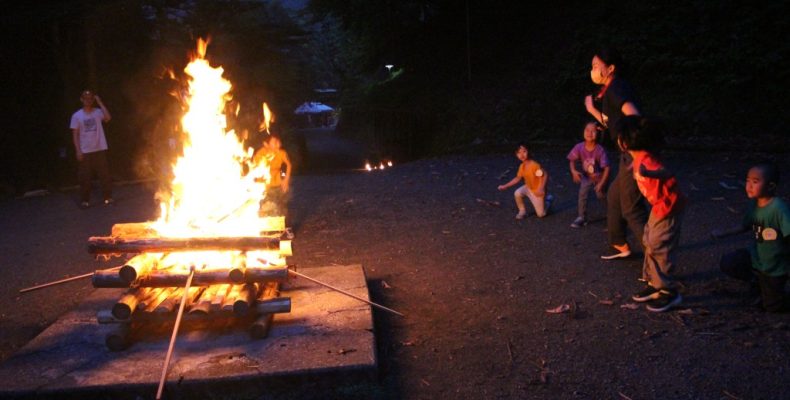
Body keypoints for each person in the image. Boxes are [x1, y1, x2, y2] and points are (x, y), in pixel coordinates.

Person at [584, 48, 648, 260]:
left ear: (610, 68)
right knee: (614, 195)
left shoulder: (616, 89)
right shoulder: (611, 89)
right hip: (628, 154)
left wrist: (637, 153)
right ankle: (619, 242)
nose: (593, 70)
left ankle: (657, 258)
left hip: (634, 154)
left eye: (596, 66)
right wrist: (592, 110)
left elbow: (634, 116)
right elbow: (611, 121)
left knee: (631, 209)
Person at [617, 116, 686, 312]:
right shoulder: (639, 158)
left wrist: (648, 173)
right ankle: (654, 283)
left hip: (668, 207)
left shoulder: (646, 160)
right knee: (649, 241)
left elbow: (666, 172)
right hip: (659, 207)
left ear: (624, 142)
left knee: (659, 246)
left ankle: (669, 291)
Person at [712, 163, 789, 312]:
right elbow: (745, 225)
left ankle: (773, 293)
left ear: (771, 186)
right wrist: (724, 232)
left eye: (755, 182)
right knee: (729, 262)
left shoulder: (779, 209)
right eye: (747, 181)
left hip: (775, 265)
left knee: (773, 307)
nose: (749, 186)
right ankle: (756, 281)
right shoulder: (754, 204)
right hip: (756, 257)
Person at [70, 90, 113, 208]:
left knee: (104, 175)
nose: (88, 101)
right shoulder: (77, 116)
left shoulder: (98, 112)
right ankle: (85, 200)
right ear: (82, 100)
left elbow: (108, 117)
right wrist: (78, 150)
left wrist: (100, 102)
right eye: (86, 99)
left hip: (99, 148)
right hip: (85, 151)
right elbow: (75, 135)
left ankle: (108, 197)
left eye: (90, 99)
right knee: (85, 177)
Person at [567, 121, 610, 228]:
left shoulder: (600, 150)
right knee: (582, 194)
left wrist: (602, 183)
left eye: (593, 131)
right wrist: (573, 171)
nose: (589, 133)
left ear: (598, 133)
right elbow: (572, 159)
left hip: (600, 177)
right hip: (587, 177)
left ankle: (612, 214)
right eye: (587, 130)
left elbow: (607, 168)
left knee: (601, 195)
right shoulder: (579, 147)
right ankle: (582, 217)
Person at [498, 142, 553, 219]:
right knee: (517, 193)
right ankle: (522, 211)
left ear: (528, 151)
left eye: (524, 151)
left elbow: (544, 175)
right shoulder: (522, 166)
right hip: (529, 188)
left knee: (541, 214)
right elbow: (518, 178)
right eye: (519, 153)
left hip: (537, 190)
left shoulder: (534, 165)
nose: (522, 155)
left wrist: (541, 188)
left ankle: (548, 201)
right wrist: (505, 186)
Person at [253, 133, 292, 217]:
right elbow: (256, 171)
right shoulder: (260, 154)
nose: (278, 144)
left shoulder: (281, 153)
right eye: (275, 142)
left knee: (281, 206)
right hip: (265, 186)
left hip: (278, 183)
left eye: (279, 141)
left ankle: (282, 219)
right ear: (266, 144)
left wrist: (286, 179)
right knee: (266, 207)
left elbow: (288, 165)